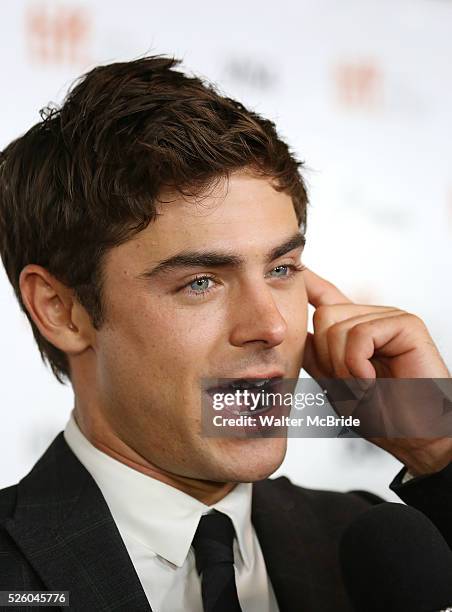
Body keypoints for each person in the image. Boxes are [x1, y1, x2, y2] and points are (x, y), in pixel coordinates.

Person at [0, 55, 451, 612]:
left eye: (281, 270)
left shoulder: (372, 548)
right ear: (61, 309)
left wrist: (439, 452)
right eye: (202, 281)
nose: (272, 326)